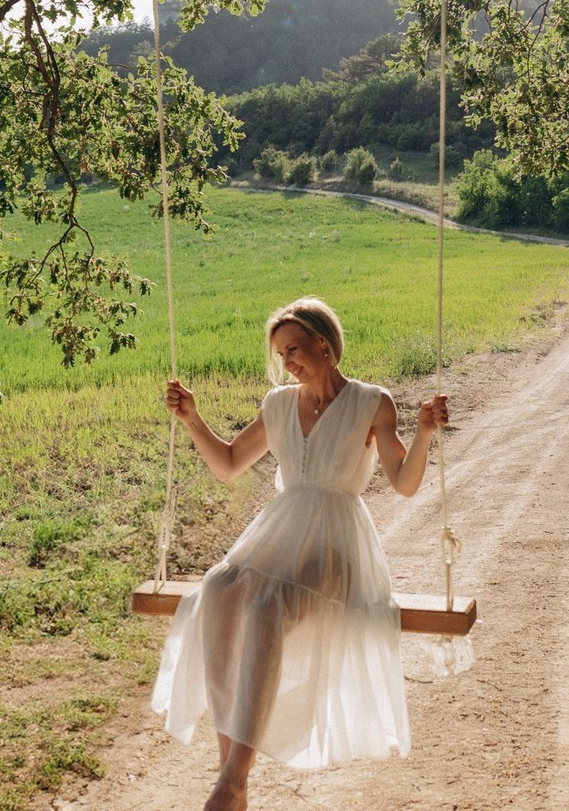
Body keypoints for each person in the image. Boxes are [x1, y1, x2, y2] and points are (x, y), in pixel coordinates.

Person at [150, 296, 450, 811]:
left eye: (294, 348)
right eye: (281, 354)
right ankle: (234, 776)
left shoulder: (371, 403)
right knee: (219, 592)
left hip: (335, 539)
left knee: (270, 607)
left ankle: (231, 781)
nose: (288, 361)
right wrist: (193, 420)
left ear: (324, 344)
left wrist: (423, 433)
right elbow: (227, 464)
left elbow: (403, 482)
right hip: (279, 529)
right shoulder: (278, 404)